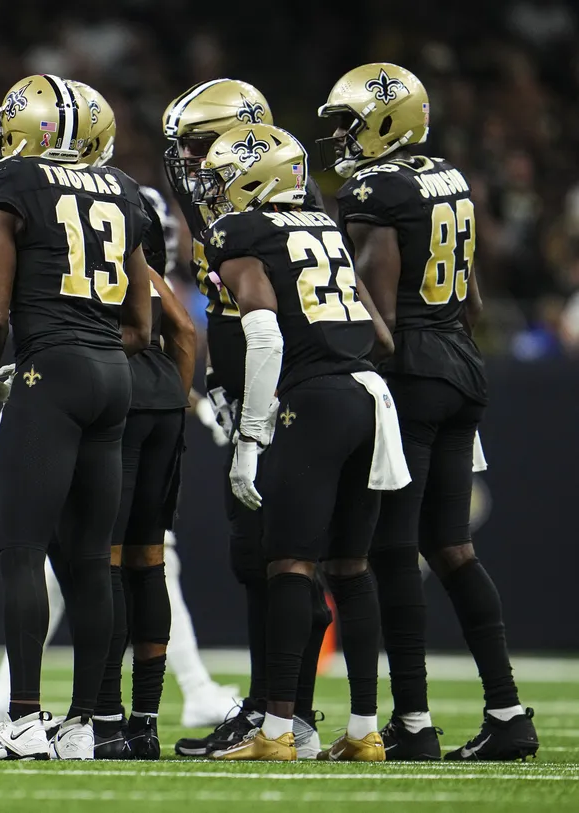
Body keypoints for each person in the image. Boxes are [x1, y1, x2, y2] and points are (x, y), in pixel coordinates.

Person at [319, 62, 539, 761]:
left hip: (411, 369)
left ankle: (412, 722)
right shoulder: (448, 177)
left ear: (386, 122)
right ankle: (507, 711)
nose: (344, 139)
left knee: (389, 548)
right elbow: (472, 304)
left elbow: (376, 311)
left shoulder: (377, 189)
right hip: (458, 363)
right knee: (452, 548)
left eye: (351, 123)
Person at [0, 74, 151, 761]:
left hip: (52, 373)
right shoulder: (124, 190)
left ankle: (25, 718)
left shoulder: (10, 182)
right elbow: (140, 325)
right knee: (92, 560)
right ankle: (86, 724)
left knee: (23, 550)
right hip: (113, 374)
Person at [194, 123, 406, 762]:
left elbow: (263, 336)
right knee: (352, 568)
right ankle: (366, 732)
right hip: (370, 394)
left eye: (223, 173)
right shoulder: (325, 225)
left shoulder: (241, 232)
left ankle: (279, 731)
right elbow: (382, 336)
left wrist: (252, 437)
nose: (213, 186)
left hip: (312, 402)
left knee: (288, 563)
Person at [162, 79, 329, 760]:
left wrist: (260, 414)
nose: (192, 163)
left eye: (203, 147)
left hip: (289, 398)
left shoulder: (279, 210)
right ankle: (270, 709)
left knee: (288, 557)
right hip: (250, 394)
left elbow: (280, 324)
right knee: (255, 556)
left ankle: (294, 715)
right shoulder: (225, 205)